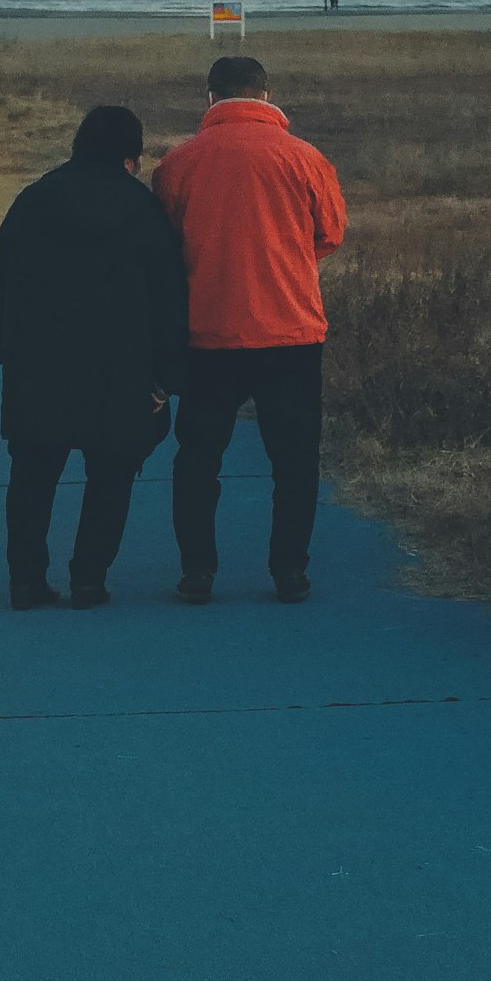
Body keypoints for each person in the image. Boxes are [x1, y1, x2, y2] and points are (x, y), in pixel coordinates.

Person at [155, 54, 346, 604]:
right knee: (294, 460)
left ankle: (197, 572)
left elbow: (167, 244)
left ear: (209, 97)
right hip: (290, 331)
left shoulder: (179, 163)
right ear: (267, 96)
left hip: (209, 332)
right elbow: (329, 233)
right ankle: (289, 570)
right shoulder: (306, 158)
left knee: (197, 458)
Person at [0, 106, 185, 611]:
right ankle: (89, 580)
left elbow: (1, 283)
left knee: (32, 476)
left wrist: (5, 347)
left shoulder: (34, 200)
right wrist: (165, 379)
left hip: (38, 365)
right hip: (121, 371)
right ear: (130, 158)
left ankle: (26, 580)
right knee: (111, 477)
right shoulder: (142, 211)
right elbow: (169, 299)